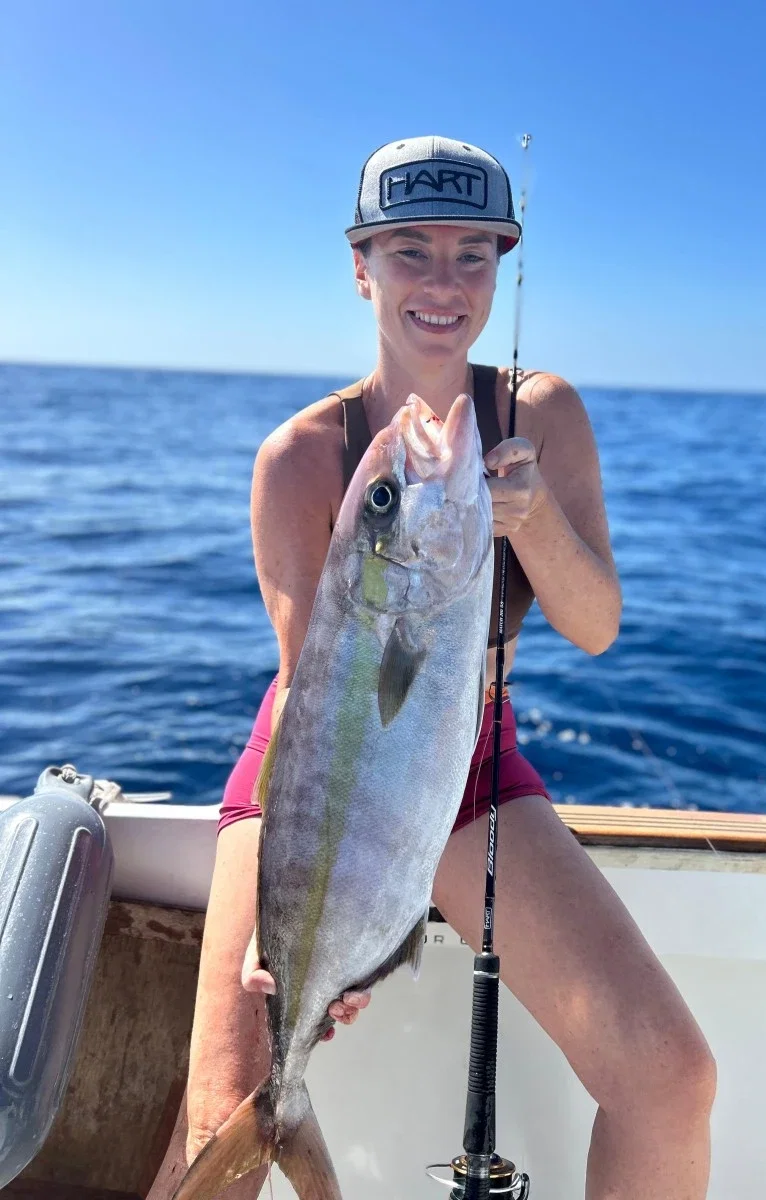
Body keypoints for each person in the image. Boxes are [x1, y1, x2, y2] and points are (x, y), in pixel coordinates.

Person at [149, 136, 716, 1200]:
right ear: (361, 266)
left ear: (500, 269)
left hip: (472, 755)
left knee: (669, 1076)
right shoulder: (300, 459)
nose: (444, 283)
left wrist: (533, 518)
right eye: (410, 250)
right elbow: (317, 702)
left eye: (473, 254)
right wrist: (311, 915)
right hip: (322, 763)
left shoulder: (543, 413)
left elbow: (596, 626)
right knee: (225, 1109)